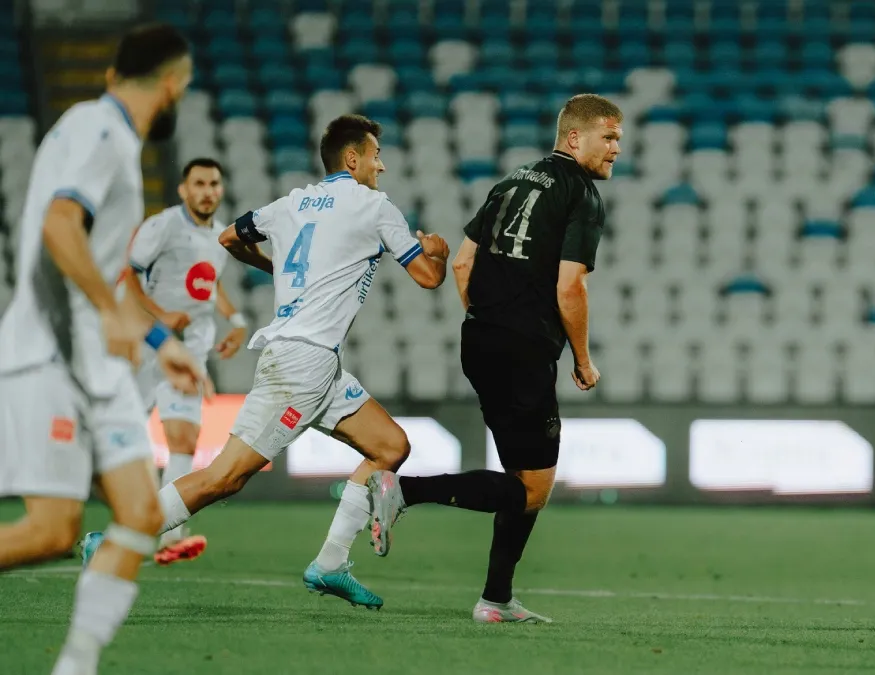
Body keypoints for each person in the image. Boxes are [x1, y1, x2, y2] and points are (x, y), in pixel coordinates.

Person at [80, 114, 449, 611]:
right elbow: (428, 277)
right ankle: (112, 542)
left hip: (318, 365)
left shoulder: (291, 203)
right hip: (302, 365)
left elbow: (229, 237)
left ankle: (331, 564)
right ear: (352, 158)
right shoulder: (373, 206)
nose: (382, 166)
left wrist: (276, 270)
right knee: (224, 478)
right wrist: (440, 252)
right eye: (376, 155)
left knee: (390, 446)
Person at [367, 94, 622, 623]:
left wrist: (486, 319)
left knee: (520, 478)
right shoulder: (581, 194)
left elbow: (463, 264)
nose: (617, 148)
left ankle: (497, 599)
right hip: (524, 348)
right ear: (576, 138)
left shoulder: (512, 181)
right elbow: (570, 286)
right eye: (609, 136)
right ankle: (402, 491)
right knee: (532, 487)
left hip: (479, 339)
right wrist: (583, 358)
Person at [0, 24, 207, 675]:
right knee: (52, 530)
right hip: (54, 353)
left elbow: (101, 267)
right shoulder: (99, 129)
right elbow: (61, 226)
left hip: (95, 358)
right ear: (172, 85)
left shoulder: (106, 135)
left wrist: (155, 338)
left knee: (143, 511)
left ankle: (76, 665)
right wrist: (107, 318)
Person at [126, 157, 249, 562]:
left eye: (214, 183)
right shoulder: (163, 226)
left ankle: (169, 535)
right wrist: (159, 316)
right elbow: (124, 275)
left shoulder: (220, 238)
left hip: (190, 350)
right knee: (119, 437)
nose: (207, 191)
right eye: (199, 183)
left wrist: (236, 320)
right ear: (183, 189)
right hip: (144, 345)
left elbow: (207, 285)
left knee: (182, 439)